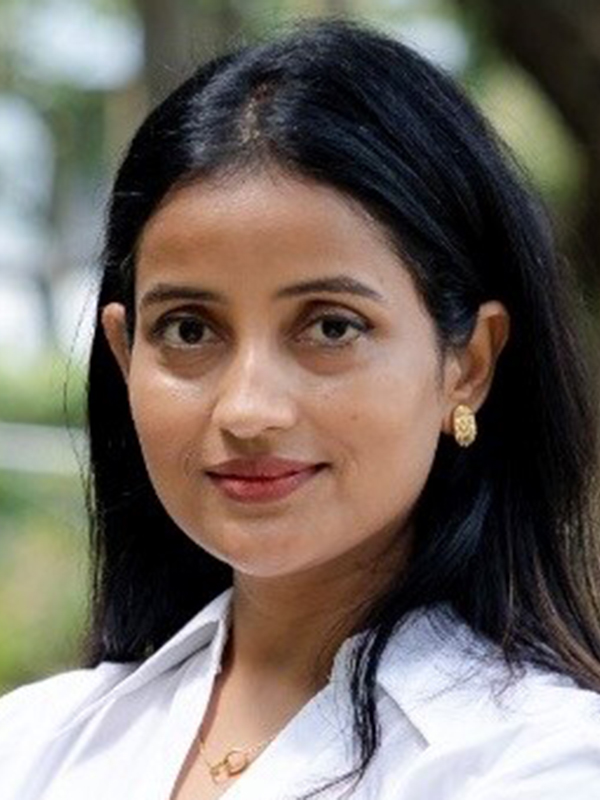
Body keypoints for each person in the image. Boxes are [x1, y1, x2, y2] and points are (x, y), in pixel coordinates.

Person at [1, 17, 600, 800]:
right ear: (125, 356)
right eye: (189, 330)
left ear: (469, 364)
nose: (248, 410)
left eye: (331, 327)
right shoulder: (34, 741)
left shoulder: (543, 764)